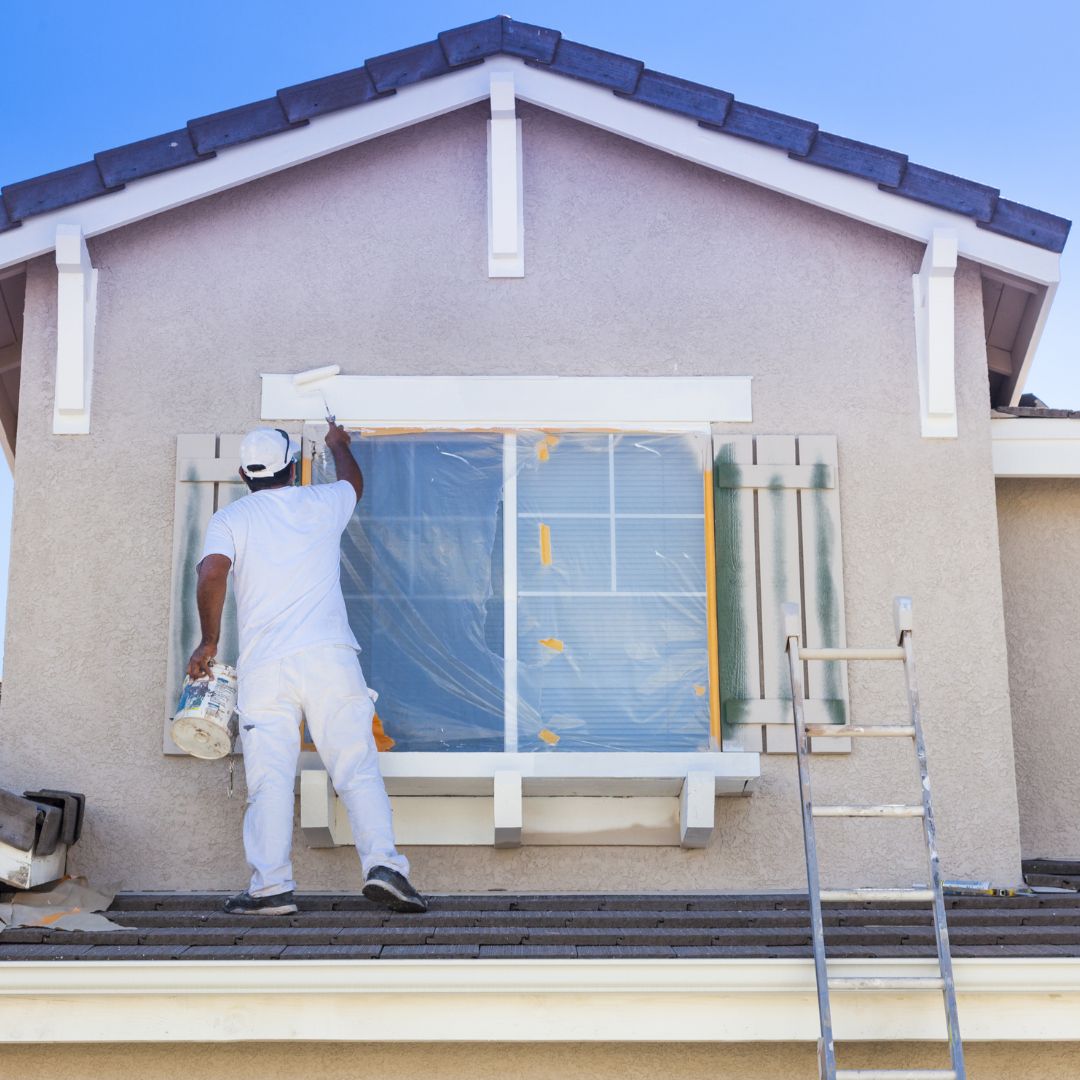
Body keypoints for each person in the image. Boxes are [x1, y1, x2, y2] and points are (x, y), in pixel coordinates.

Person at [186, 422, 427, 916]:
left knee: (269, 780)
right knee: (356, 768)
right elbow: (353, 483)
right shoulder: (322, 503)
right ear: (292, 469)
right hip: (329, 659)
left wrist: (208, 641)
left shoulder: (230, 518)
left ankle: (271, 888)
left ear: (241, 475)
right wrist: (339, 446)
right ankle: (386, 868)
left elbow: (212, 572)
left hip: (266, 668)